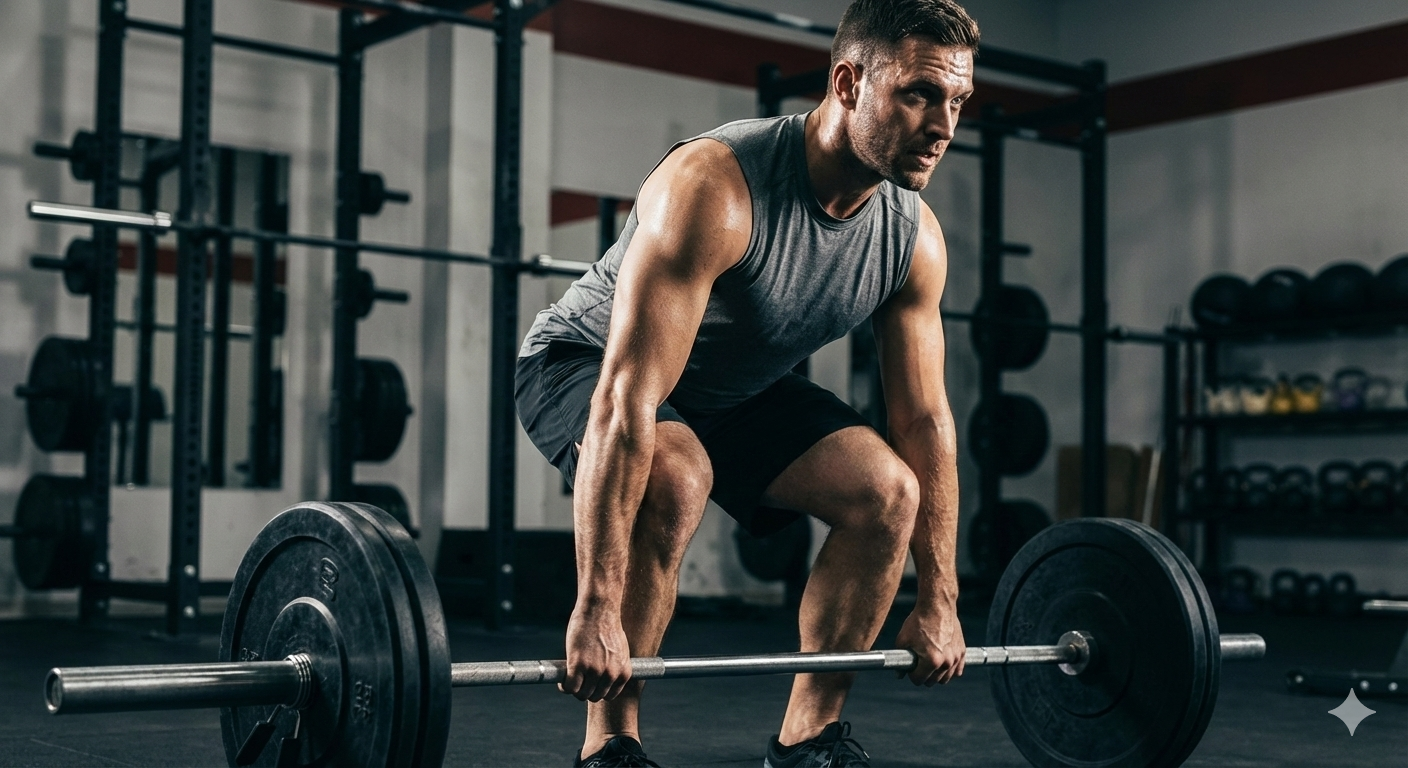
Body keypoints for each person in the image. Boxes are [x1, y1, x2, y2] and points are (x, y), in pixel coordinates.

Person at [515, 1, 979, 765]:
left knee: (888, 494)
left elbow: (925, 422)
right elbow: (629, 398)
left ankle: (808, 741)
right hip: (588, 363)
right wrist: (594, 604)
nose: (944, 126)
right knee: (675, 473)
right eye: (920, 94)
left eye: (958, 101)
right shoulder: (715, 185)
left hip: (737, 387)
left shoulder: (913, 237)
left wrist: (941, 600)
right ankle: (611, 747)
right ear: (848, 82)